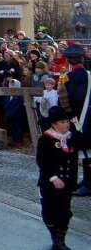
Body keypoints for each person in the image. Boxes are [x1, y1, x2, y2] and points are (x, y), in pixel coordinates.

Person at [37, 105, 87, 250]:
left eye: (67, 122)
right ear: (54, 124)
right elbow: (42, 161)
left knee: (64, 212)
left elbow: (85, 142)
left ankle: (60, 241)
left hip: (68, 182)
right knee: (49, 211)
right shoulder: (46, 139)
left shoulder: (71, 137)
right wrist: (53, 177)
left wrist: (77, 126)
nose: (66, 124)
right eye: (62, 122)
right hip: (50, 182)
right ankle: (54, 236)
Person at [57, 43, 90, 196]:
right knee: (87, 150)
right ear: (82, 59)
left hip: (77, 119)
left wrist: (72, 120)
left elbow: (64, 102)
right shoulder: (89, 75)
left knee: (84, 151)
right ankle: (87, 181)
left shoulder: (66, 78)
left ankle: (88, 183)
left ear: (69, 61)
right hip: (89, 117)